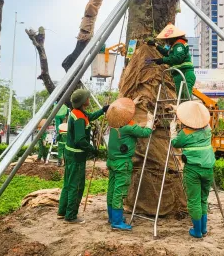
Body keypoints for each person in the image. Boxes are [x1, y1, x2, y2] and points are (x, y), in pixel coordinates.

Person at [58, 89, 109, 223]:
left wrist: (102, 110)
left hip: (69, 153)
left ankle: (62, 211)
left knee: (68, 183)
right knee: (76, 185)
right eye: (87, 97)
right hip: (76, 157)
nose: (89, 98)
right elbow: (80, 140)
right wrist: (93, 150)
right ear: (83, 101)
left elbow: (90, 117)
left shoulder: (77, 113)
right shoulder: (79, 118)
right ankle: (70, 216)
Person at [105, 96, 154, 231]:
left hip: (112, 162)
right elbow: (145, 132)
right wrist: (150, 121)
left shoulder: (113, 124)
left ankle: (112, 217)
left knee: (112, 190)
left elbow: (122, 113)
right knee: (119, 192)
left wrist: (132, 103)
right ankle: (117, 222)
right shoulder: (128, 127)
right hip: (123, 164)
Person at [170, 101, 214, 238]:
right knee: (203, 199)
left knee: (194, 201)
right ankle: (204, 229)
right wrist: (180, 111)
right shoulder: (207, 129)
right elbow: (200, 121)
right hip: (208, 169)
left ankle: (197, 231)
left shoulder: (185, 133)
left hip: (193, 170)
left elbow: (175, 143)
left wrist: (172, 129)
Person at [146, 23, 196, 99]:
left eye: (167, 39)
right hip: (179, 74)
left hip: (184, 73)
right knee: (181, 97)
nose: (166, 41)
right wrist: (156, 45)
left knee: (185, 95)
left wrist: (162, 60)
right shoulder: (174, 46)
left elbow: (177, 58)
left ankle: (187, 110)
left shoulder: (179, 44)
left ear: (172, 37)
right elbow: (167, 53)